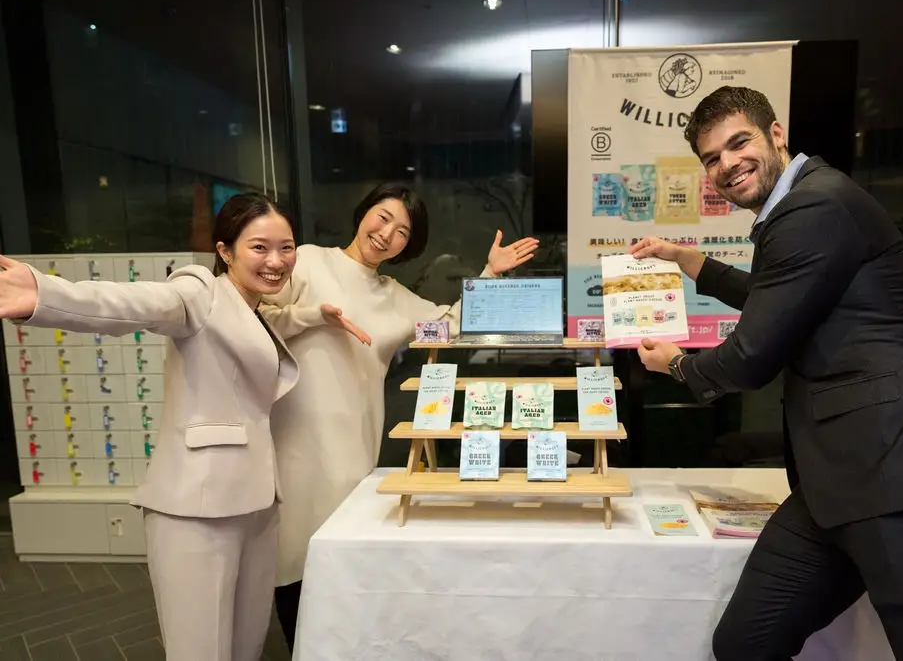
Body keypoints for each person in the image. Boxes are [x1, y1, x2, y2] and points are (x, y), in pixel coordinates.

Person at [632, 86, 903, 660]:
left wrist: (680, 364)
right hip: (836, 486)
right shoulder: (802, 208)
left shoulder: (815, 206)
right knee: (748, 642)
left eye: (738, 143)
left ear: (776, 134)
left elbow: (750, 358)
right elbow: (781, 296)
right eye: (711, 158)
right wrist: (690, 261)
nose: (727, 165)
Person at [0, 194, 365, 661]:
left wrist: (318, 314)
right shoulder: (200, 292)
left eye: (286, 247)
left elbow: (276, 325)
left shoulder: (254, 309)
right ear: (225, 250)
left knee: (245, 645)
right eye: (259, 247)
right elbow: (137, 304)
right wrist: (46, 295)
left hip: (255, 506)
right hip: (196, 507)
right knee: (201, 650)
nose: (276, 261)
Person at [258, 182, 540, 650]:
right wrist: (314, 316)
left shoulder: (395, 296)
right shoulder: (308, 260)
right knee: (291, 561)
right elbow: (261, 314)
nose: (387, 234)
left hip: (356, 449)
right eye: (383, 217)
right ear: (364, 212)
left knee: (343, 559)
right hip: (293, 440)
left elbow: (447, 325)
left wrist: (490, 274)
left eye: (403, 232)